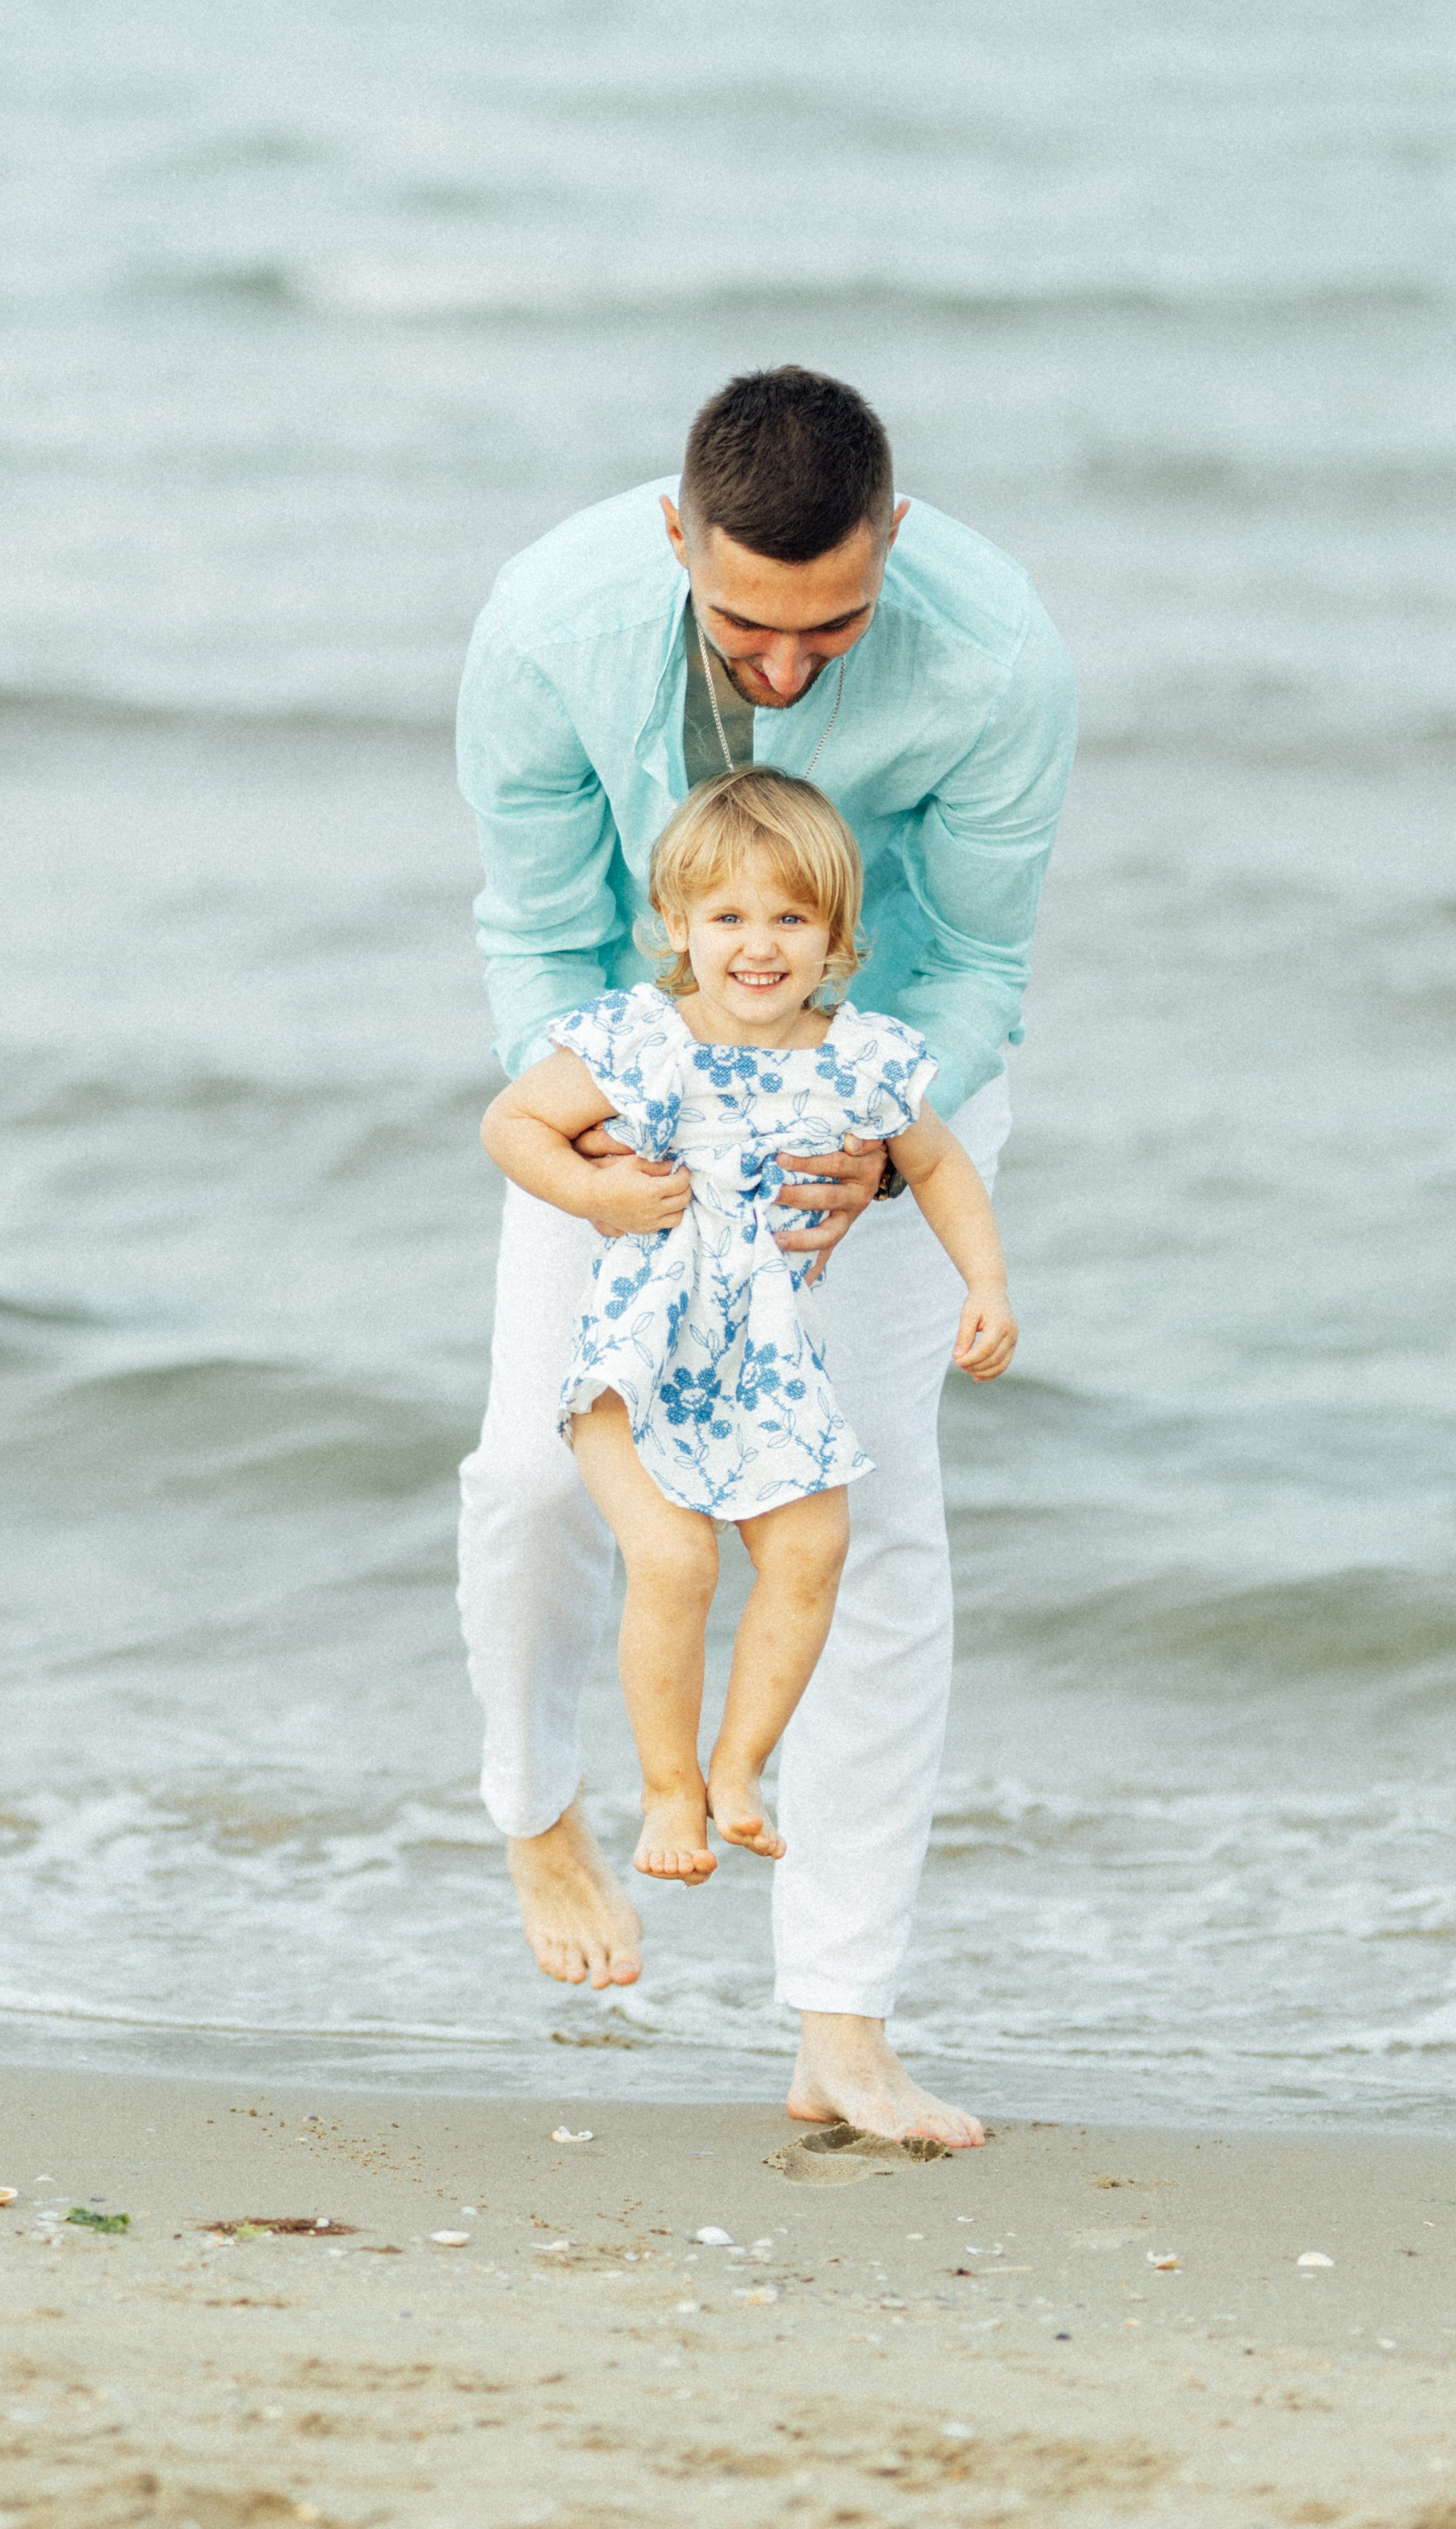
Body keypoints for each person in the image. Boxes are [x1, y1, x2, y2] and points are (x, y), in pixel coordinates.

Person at [457, 366, 1075, 2146]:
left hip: (878, 1099)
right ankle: (537, 1807)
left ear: (891, 540)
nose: (788, 670)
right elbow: (535, 919)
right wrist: (590, 1143)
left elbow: (975, 965)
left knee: (866, 1526)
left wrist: (884, 1147)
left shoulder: (997, 660)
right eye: (744, 626)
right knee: (528, 1474)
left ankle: (842, 2023)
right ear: (676, 541)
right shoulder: (549, 624)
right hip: (630, 1091)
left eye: (835, 625)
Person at [480, 767, 1017, 1891]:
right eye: (727, 916)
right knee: (672, 1560)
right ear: (677, 926)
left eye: (791, 917)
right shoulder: (641, 1040)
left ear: (838, 938)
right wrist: (596, 1197)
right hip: (636, 1362)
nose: (758, 944)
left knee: (815, 1551)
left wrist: (987, 1283)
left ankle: (739, 1763)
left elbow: (938, 1164)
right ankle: (667, 1786)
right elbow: (514, 1119)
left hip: (769, 1366)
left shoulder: (859, 1056)